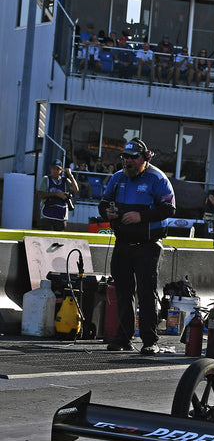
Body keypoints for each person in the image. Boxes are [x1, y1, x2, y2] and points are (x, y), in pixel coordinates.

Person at [98, 139, 176, 355]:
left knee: (146, 293)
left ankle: (150, 341)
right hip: (123, 243)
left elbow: (169, 208)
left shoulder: (157, 178)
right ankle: (123, 338)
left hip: (148, 245)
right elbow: (103, 204)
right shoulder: (117, 178)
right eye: (125, 157)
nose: (128, 161)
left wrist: (141, 216)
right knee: (123, 292)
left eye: (133, 157)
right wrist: (107, 213)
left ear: (145, 158)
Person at [36, 162, 79, 231]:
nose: (55, 171)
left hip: (61, 215)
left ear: (61, 170)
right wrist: (57, 194)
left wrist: (70, 175)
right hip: (47, 214)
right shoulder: (46, 179)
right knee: (45, 237)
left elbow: (76, 189)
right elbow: (40, 195)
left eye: (57, 169)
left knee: (59, 238)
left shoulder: (65, 181)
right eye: (53, 169)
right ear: (50, 169)